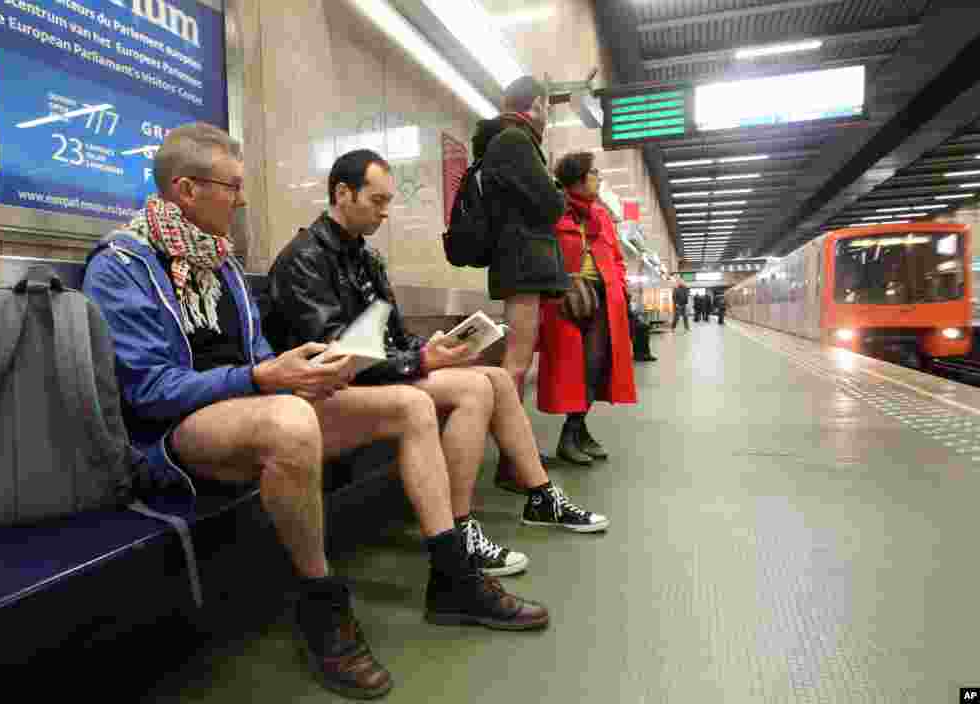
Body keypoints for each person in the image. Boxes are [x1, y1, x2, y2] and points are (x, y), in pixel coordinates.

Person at [83, 124, 549, 701]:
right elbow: (148, 391)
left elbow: (259, 355)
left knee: (408, 405)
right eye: (231, 186)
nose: (242, 197)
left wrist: (296, 371)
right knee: (290, 421)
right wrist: (261, 378)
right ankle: (319, 598)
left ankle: (451, 575)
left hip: (251, 400)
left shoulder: (222, 266)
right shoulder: (121, 266)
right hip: (177, 430)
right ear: (186, 189)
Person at [264, 149, 609, 549]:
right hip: (328, 387)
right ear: (343, 193)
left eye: (388, 202)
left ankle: (540, 495)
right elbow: (335, 354)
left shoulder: (366, 257)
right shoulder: (304, 259)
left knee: (496, 377)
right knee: (473, 389)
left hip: (373, 374)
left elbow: (390, 332)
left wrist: (429, 347)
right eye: (377, 201)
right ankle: (459, 527)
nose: (384, 212)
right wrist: (419, 360)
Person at [470, 75, 568, 472]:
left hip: (519, 262)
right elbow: (550, 203)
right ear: (538, 104)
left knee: (518, 362)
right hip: (522, 264)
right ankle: (512, 461)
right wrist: (557, 192)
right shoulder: (514, 141)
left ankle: (515, 455)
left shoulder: (507, 141)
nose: (548, 116)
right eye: (547, 107)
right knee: (516, 364)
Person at [534, 152, 637, 465]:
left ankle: (574, 431)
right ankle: (575, 433)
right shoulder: (552, 210)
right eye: (593, 173)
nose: (598, 178)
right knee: (570, 370)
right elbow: (541, 254)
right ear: (577, 178)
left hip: (602, 297)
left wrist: (618, 284)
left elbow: (617, 258)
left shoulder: (601, 216)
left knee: (594, 365)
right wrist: (561, 282)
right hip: (563, 299)